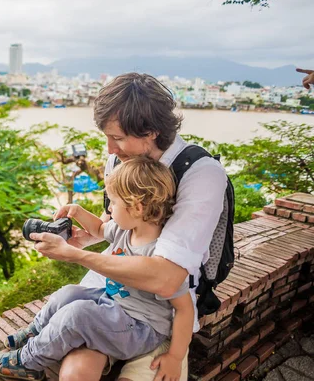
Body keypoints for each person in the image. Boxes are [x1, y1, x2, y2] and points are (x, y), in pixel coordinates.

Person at [30, 73, 228, 381]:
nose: (110, 149)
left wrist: (77, 257)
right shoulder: (122, 161)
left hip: (159, 314)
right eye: (107, 137)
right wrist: (84, 238)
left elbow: (166, 279)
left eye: (117, 138)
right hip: (108, 294)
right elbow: (118, 225)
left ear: (151, 132)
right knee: (74, 373)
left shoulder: (201, 175)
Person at [0, 156, 194, 381]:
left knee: (77, 316)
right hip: (114, 303)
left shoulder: (160, 254)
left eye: (113, 203)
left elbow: (185, 309)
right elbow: (98, 228)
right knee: (69, 293)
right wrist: (77, 212)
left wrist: (175, 357)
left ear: (137, 207)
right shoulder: (125, 229)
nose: (109, 208)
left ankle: (29, 362)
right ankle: (36, 331)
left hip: (140, 329)